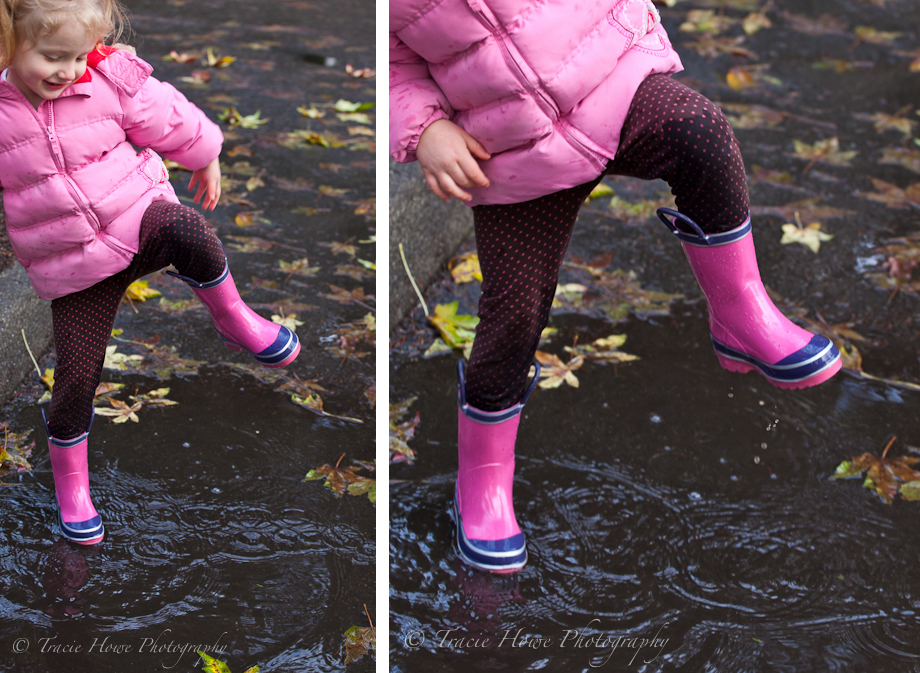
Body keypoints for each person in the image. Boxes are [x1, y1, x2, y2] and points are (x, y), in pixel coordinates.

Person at [390, 0, 841, 574]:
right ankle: (483, 485)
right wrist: (424, 128)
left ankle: (742, 312)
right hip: (509, 154)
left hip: (609, 82)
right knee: (513, 315)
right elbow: (390, 58)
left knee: (698, 134)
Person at [0, 0, 301, 545]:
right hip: (74, 269)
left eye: (78, 55)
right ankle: (72, 487)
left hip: (137, 219)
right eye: (52, 57)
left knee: (188, 229)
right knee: (74, 379)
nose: (69, 71)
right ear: (8, 39)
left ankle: (233, 316)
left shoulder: (105, 77)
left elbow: (166, 114)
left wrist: (205, 151)